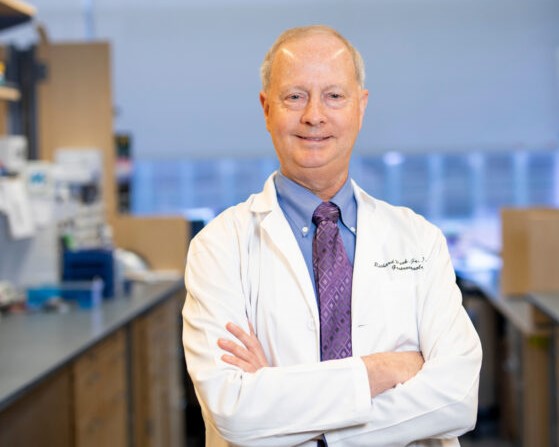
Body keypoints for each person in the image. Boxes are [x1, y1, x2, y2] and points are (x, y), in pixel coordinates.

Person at [182, 25, 482, 447]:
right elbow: (234, 412)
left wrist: (287, 404)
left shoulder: (418, 239)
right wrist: (381, 372)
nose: (314, 116)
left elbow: (457, 399)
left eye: (334, 96)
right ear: (266, 108)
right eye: (295, 96)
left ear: (361, 106)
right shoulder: (219, 247)